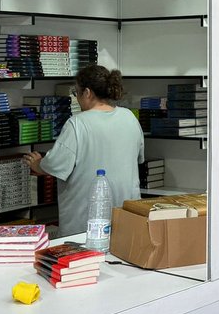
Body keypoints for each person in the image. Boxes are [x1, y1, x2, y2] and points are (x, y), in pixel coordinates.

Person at [25, 65, 144, 237]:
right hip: (127, 216)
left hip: (86, 222)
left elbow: (56, 165)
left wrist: (37, 164)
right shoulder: (129, 117)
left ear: (87, 93)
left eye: (76, 93)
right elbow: (138, 158)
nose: (77, 98)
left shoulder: (78, 123)